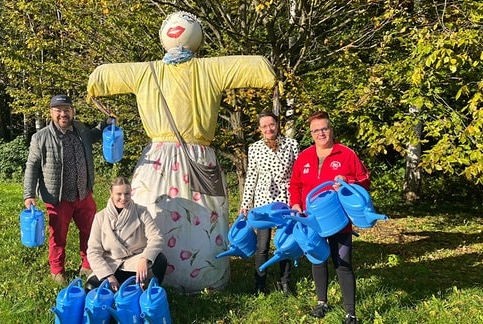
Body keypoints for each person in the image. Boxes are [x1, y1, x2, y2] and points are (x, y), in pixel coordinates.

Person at [87, 11, 277, 293]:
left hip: (159, 161)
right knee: (188, 219)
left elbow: (102, 75)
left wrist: (95, 86)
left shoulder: (146, 71)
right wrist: (272, 78)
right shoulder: (209, 69)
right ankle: (197, 276)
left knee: (155, 211)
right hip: (196, 159)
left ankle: (150, 275)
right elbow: (259, 67)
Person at [289, 111, 370, 324]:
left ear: (331, 129)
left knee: (343, 263)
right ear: (311, 133)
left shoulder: (346, 154)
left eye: (324, 128)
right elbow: (295, 184)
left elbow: (365, 180)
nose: (321, 133)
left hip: (338, 221)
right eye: (316, 130)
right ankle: (321, 303)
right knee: (318, 259)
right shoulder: (304, 156)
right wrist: (296, 204)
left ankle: (350, 314)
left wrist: (348, 181)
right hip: (312, 220)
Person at [23, 94, 110, 284]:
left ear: (72, 111)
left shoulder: (79, 129)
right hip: (58, 197)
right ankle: (57, 270)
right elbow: (32, 166)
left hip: (83, 193)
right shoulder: (41, 137)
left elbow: (94, 135)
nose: (63, 114)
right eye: (58, 110)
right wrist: (29, 195)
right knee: (58, 236)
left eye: (67, 110)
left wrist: (106, 124)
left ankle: (88, 265)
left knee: (90, 231)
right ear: (51, 113)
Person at [239, 110, 299, 295]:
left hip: (285, 201)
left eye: (271, 124)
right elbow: (251, 177)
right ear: (259, 129)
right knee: (262, 245)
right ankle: (260, 284)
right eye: (264, 126)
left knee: (285, 243)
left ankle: (285, 282)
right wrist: (245, 204)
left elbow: (298, 176)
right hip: (263, 202)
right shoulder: (255, 148)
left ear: (278, 124)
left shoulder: (291, 144)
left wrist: (299, 202)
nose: (268, 128)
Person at [85, 177, 167, 292]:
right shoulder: (100, 217)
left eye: (127, 194)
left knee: (160, 260)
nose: (123, 198)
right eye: (119, 194)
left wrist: (145, 258)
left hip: (135, 263)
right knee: (91, 287)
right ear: (111, 193)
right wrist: (107, 275)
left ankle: (150, 294)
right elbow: (93, 251)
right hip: (112, 265)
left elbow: (156, 238)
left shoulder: (141, 212)